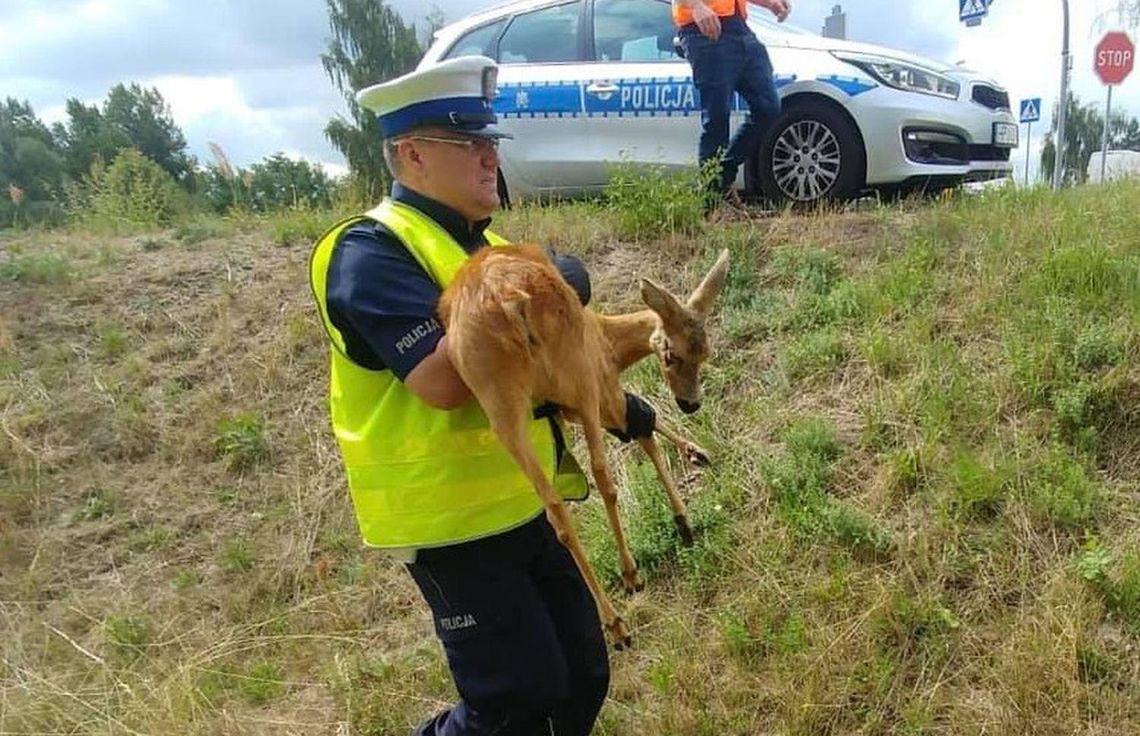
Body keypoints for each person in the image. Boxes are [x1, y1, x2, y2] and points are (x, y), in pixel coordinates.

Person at [308, 55, 655, 736]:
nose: (489, 157)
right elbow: (439, 382)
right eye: (467, 143)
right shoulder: (371, 251)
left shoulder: (487, 247)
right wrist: (548, 283)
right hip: (446, 523)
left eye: (491, 142)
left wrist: (612, 406)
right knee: (514, 698)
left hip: (520, 503)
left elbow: (547, 360)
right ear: (411, 154)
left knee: (583, 673)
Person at [673, 0, 791, 209]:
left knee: (768, 108)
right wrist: (697, 6)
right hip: (703, 28)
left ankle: (722, 178)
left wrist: (769, 3)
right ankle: (712, 205)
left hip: (739, 27)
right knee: (717, 119)